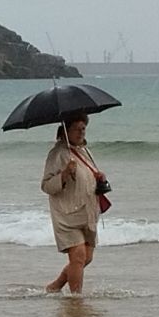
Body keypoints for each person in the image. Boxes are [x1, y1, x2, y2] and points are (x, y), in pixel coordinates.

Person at [41, 113, 105, 294]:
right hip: (67, 213)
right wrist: (64, 174)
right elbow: (46, 185)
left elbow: (87, 174)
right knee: (78, 256)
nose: (81, 132)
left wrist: (98, 176)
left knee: (87, 257)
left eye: (83, 128)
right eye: (76, 129)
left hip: (88, 212)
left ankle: (56, 286)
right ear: (66, 130)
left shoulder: (85, 151)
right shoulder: (58, 154)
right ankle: (76, 300)